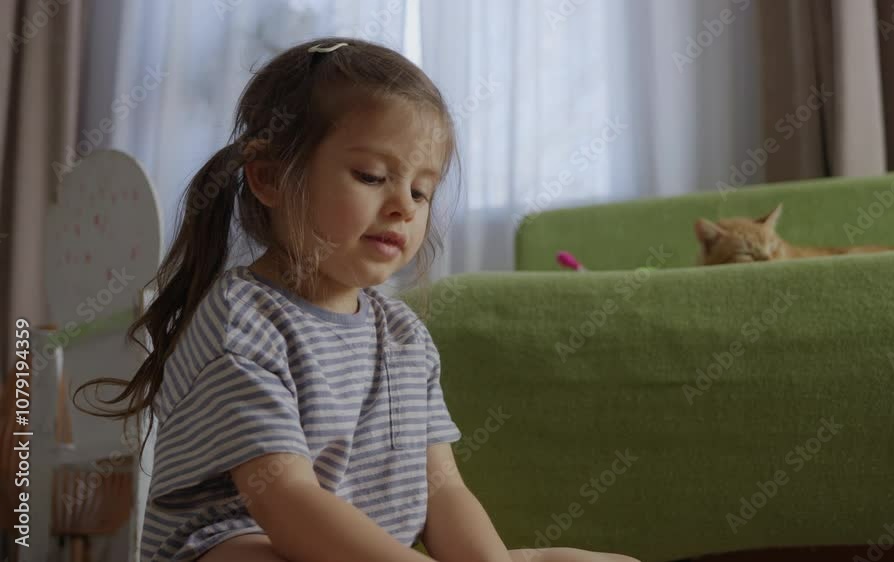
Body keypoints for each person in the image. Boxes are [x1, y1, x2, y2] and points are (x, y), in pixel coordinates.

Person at [76, 38, 640, 562]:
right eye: (372, 176)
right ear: (270, 179)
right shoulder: (242, 321)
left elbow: (443, 491)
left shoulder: (404, 335)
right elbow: (287, 504)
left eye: (422, 190)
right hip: (245, 544)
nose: (404, 206)